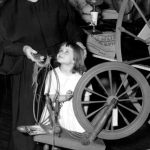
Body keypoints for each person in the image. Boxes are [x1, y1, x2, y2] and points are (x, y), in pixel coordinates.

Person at [0, 0, 86, 150]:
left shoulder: (58, 3)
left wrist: (78, 43)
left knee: (57, 116)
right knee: (27, 118)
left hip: (58, 64)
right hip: (28, 69)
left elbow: (70, 26)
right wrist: (24, 49)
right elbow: (3, 43)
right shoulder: (9, 8)